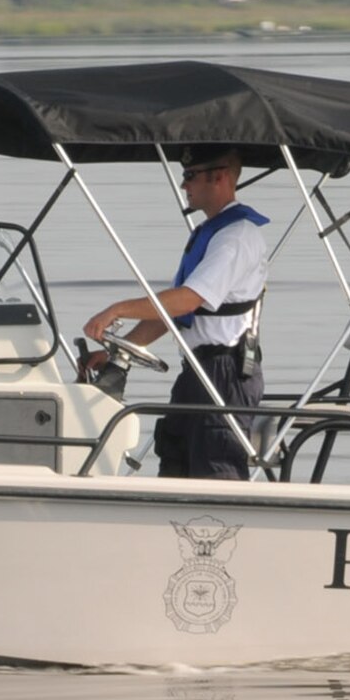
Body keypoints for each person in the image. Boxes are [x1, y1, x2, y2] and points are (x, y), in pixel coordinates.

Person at [83, 148, 267, 479]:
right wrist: (117, 351)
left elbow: (187, 300)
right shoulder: (210, 234)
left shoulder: (237, 237)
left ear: (220, 176)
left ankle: (218, 529)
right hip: (198, 371)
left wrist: (117, 309)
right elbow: (170, 314)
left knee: (215, 467)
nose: (185, 186)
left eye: (190, 176)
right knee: (174, 455)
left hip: (225, 373)